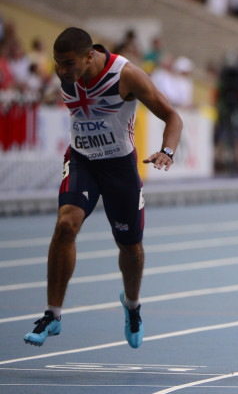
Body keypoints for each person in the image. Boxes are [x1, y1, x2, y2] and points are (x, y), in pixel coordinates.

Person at [23, 27, 183, 349]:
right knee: (66, 223)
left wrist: (167, 152)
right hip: (82, 160)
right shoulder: (66, 70)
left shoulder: (126, 75)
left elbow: (172, 117)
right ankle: (53, 314)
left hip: (119, 167)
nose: (62, 71)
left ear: (89, 56)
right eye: (57, 64)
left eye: (68, 64)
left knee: (131, 249)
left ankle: (133, 305)